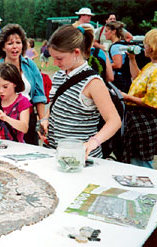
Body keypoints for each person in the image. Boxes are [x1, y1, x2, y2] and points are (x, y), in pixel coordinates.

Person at [42, 24, 121, 158]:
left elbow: (114, 121)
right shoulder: (59, 76)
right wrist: (46, 119)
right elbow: (56, 104)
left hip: (81, 157)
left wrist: (93, 142)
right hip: (55, 153)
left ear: (76, 53)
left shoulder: (93, 82)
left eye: (59, 58)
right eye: (53, 57)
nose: (55, 63)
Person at [0, 24, 47, 145]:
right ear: (3, 47)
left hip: (28, 119)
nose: (15, 47)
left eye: (18, 42)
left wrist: (42, 120)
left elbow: (39, 95)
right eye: (10, 43)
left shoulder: (30, 65)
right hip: (4, 121)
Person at [120, 29, 157, 168]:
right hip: (138, 121)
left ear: (153, 47)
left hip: (145, 120)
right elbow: (137, 78)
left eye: (146, 44)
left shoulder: (156, 70)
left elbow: (153, 103)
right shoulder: (150, 66)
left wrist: (126, 97)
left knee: (140, 162)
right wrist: (132, 59)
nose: (143, 47)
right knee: (135, 159)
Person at [0, 63, 31, 143]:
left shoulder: (23, 102)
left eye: (5, 86)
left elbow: (24, 128)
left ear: (15, 83)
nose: (1, 91)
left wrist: (6, 118)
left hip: (16, 148)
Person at [105, 21, 132, 93]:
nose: (105, 33)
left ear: (113, 31)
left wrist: (105, 65)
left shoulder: (115, 47)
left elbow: (118, 64)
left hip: (118, 79)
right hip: (126, 77)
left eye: (106, 31)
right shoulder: (123, 44)